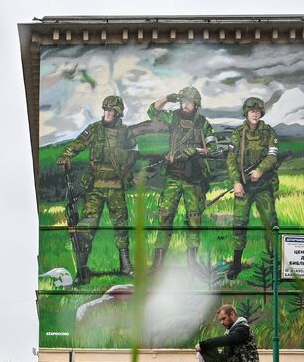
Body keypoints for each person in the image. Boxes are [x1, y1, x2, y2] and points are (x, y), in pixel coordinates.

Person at [58, 95, 140, 282]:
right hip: (95, 186)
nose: (107, 113)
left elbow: (135, 152)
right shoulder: (94, 129)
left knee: (121, 225)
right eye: (105, 110)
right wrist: (66, 155)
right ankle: (82, 269)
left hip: (116, 186)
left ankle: (125, 265)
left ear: (118, 113)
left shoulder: (125, 132)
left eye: (111, 110)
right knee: (86, 227)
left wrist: (126, 168)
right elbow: (78, 143)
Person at [143, 86, 216, 271]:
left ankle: (192, 262)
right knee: (165, 216)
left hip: (194, 178)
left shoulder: (202, 123)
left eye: (189, 102)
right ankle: (158, 262)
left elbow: (213, 148)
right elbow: (152, 110)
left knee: (193, 219)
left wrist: (194, 151)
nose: (185, 105)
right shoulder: (173, 117)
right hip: (173, 176)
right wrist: (168, 97)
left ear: (196, 104)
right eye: (183, 101)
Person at [226, 97, 281, 280]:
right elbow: (231, 159)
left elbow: (273, 156)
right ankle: (236, 264)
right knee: (239, 224)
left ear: (261, 113)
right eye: (252, 111)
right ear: (246, 112)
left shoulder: (268, 132)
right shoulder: (238, 133)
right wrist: (236, 181)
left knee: (270, 224)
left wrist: (260, 170)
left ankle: (275, 264)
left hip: (263, 185)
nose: (255, 113)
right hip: (244, 186)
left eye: (258, 111)